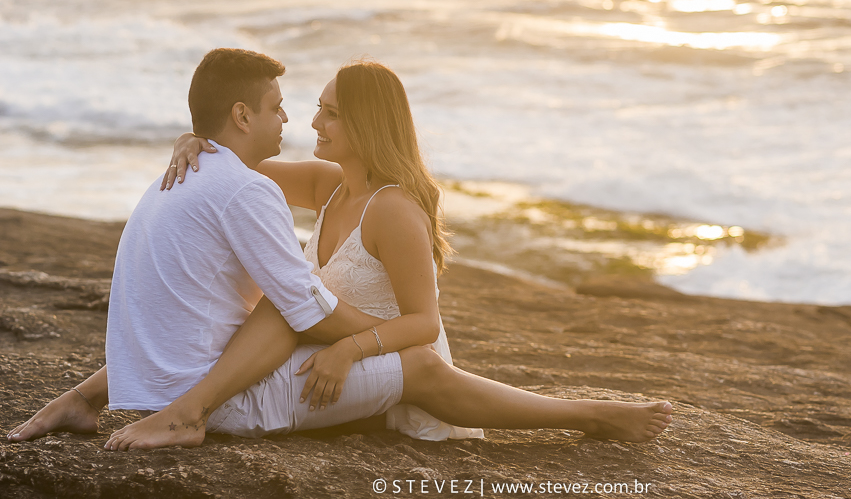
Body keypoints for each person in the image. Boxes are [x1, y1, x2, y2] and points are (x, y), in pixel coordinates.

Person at [8, 50, 673, 450]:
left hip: (387, 346)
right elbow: (234, 174)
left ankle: (595, 413)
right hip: (320, 342)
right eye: (309, 107)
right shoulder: (330, 183)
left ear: (366, 125)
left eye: (329, 112)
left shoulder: (395, 209)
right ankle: (103, 397)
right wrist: (195, 140)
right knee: (282, 300)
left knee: (290, 304)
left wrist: (351, 347)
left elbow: (425, 325)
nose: (310, 122)